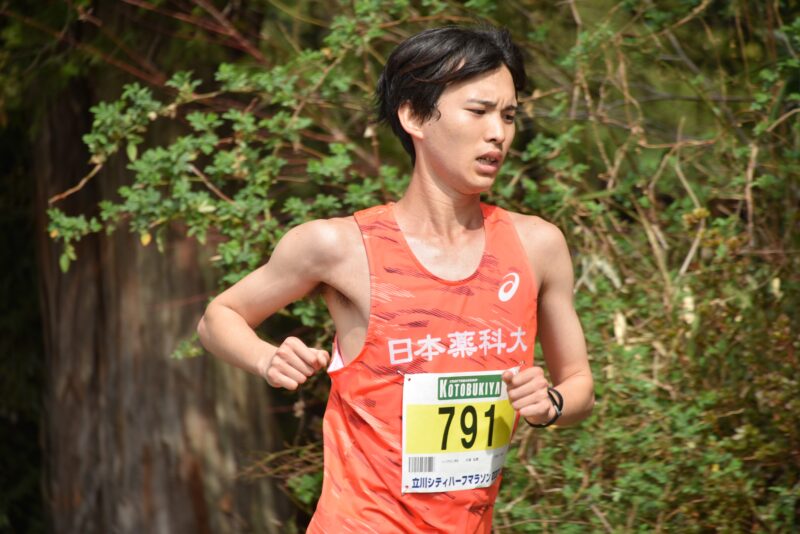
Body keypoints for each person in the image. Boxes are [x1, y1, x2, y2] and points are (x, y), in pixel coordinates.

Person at [198, 25, 594, 533]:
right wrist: (266, 358)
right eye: (479, 111)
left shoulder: (537, 247)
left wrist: (550, 404)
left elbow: (579, 384)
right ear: (414, 116)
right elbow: (218, 317)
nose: (499, 132)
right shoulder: (339, 247)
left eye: (509, 115)